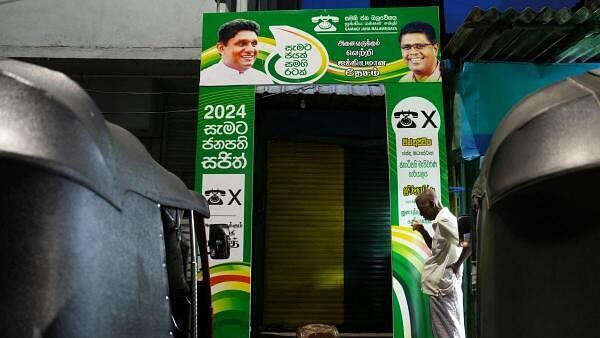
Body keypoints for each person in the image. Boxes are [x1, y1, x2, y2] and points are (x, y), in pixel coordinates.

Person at [411, 189, 465, 338]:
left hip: (444, 288)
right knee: (444, 331)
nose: (421, 214)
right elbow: (436, 250)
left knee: (450, 331)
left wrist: (458, 264)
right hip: (439, 288)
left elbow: (468, 242)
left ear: (432, 203)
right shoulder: (441, 221)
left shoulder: (445, 220)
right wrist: (422, 230)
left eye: (422, 209)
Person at [200, 19, 273, 86]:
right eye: (242, 44)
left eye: (254, 44)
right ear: (221, 48)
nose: (251, 50)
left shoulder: (262, 79)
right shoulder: (205, 78)